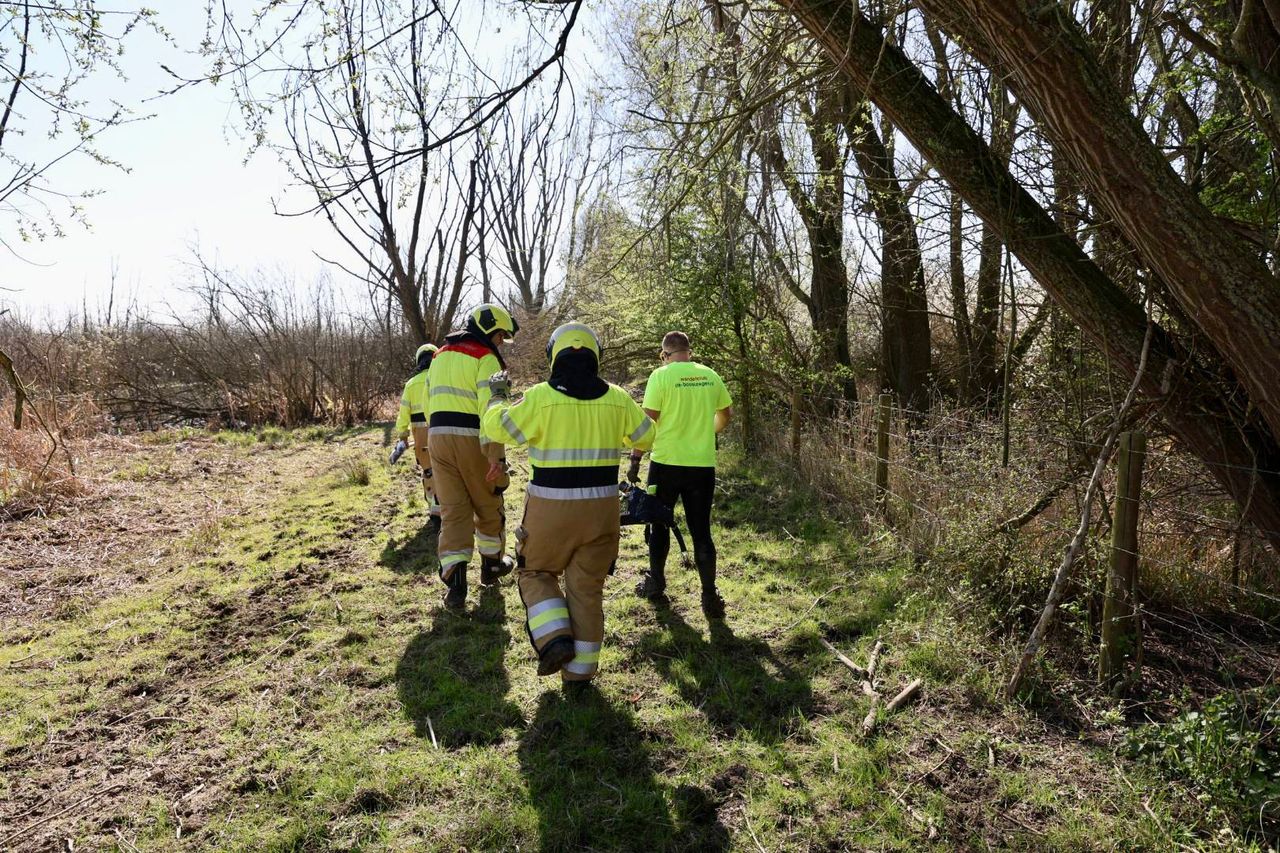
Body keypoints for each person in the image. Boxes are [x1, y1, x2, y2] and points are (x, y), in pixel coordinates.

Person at [482, 322, 654, 689]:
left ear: (552, 355)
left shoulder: (541, 397)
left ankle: (555, 640)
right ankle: (580, 676)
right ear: (596, 355)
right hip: (602, 511)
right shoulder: (618, 398)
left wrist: (497, 396)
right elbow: (647, 436)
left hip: (550, 509)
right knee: (587, 589)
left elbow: (499, 431)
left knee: (535, 574)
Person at [629, 331, 732, 619]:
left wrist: (636, 458)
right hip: (701, 465)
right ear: (690, 351)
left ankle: (657, 584)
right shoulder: (710, 375)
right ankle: (710, 595)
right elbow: (726, 415)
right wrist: (706, 432)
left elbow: (647, 422)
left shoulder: (660, 376)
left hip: (665, 464)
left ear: (665, 354)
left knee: (659, 523)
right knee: (701, 530)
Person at [429, 305, 519, 610]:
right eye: (500, 335)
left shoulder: (441, 354)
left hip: (437, 439)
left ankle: (455, 586)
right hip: (473, 439)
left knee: (453, 510)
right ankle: (492, 565)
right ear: (488, 329)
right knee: (489, 501)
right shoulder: (486, 357)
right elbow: (491, 410)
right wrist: (497, 456)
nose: (500, 341)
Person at [390, 343, 441, 533]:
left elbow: (403, 414)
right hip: (441, 431)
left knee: (429, 473)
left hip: (420, 437)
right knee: (446, 472)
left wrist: (402, 436)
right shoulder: (441, 377)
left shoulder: (411, 384)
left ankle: (435, 512)